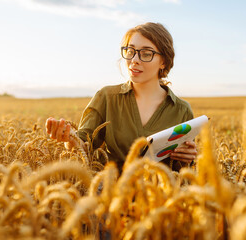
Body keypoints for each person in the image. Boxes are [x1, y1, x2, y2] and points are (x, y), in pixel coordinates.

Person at [45, 22, 197, 172]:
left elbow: (182, 171)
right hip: (110, 191)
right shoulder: (106, 97)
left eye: (146, 54)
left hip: (158, 194)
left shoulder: (181, 110)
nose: (134, 60)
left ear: (163, 61)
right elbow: (84, 146)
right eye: (130, 51)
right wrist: (69, 139)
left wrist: (187, 158)